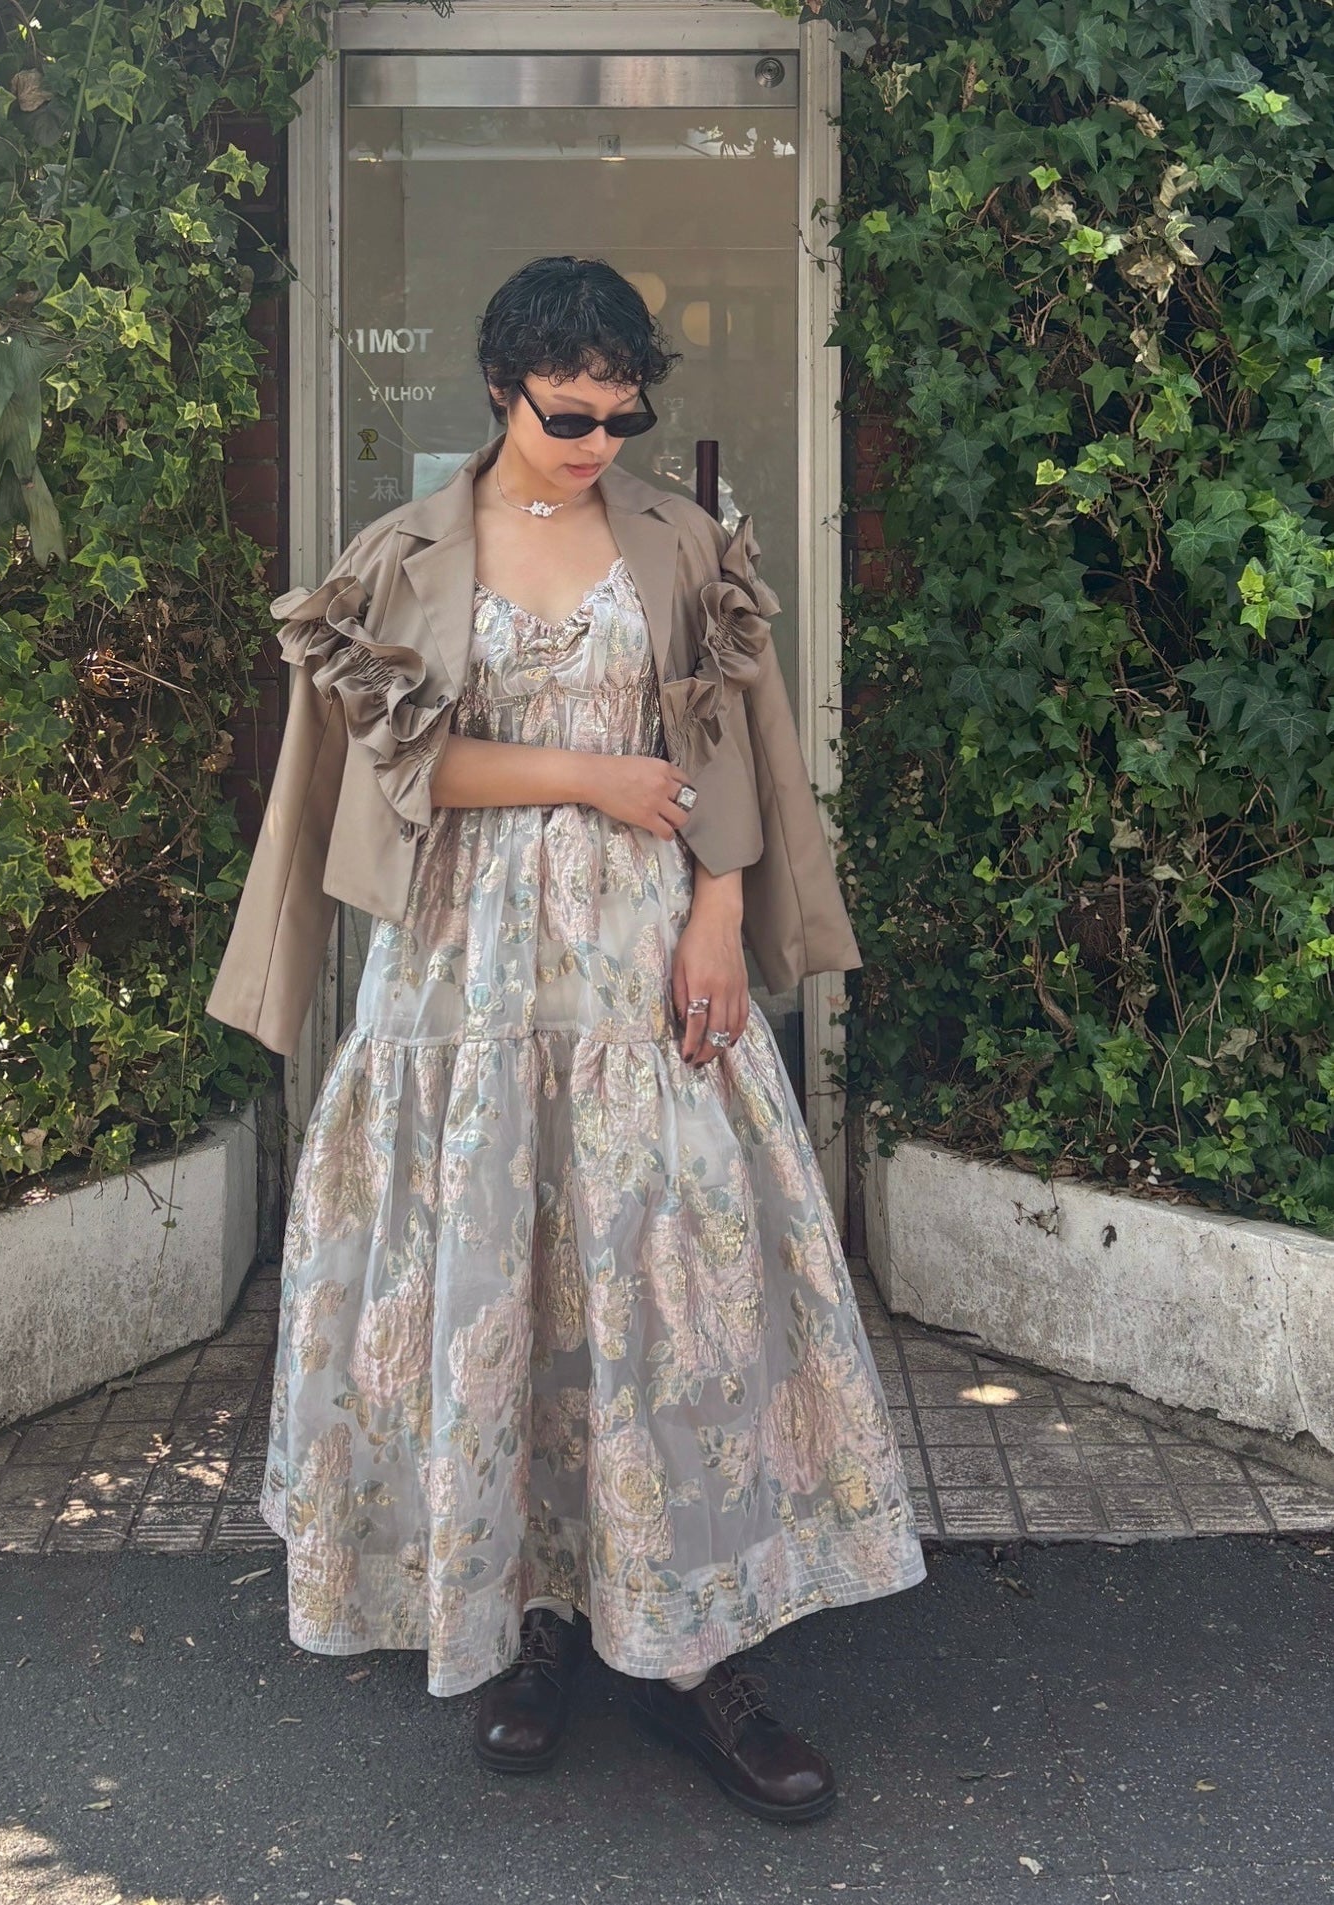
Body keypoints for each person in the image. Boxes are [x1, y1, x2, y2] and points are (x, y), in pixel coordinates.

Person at [246, 256, 927, 1824]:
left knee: (669, 1276)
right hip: (465, 969)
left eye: (623, 417)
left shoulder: (680, 538)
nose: (597, 443)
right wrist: (590, 778)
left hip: (642, 951)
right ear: (501, 389)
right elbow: (398, 769)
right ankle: (532, 1614)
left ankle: (697, 1653)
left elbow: (724, 741)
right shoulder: (404, 551)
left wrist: (719, 909)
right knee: (500, 1270)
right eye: (569, 414)